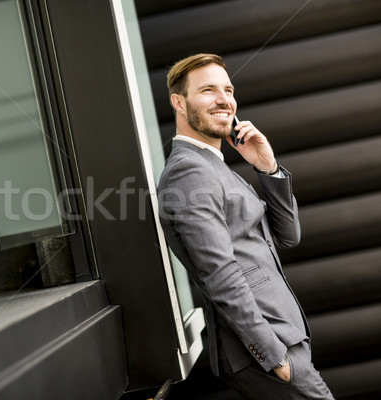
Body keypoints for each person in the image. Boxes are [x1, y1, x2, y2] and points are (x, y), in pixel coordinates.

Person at [157, 54, 334, 399]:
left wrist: (267, 168)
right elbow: (219, 272)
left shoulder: (214, 165)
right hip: (266, 346)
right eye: (208, 90)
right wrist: (272, 354)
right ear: (179, 102)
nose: (224, 99)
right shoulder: (189, 171)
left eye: (228, 89)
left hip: (282, 336)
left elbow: (287, 235)